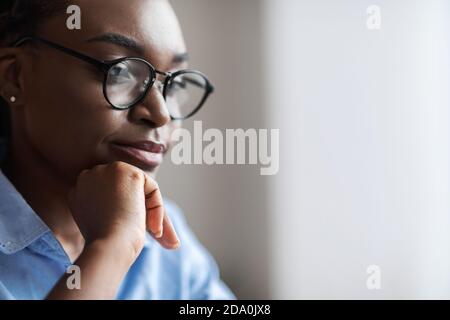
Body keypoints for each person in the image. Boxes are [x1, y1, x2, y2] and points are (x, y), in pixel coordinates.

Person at [0, 0, 235, 300]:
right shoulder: (130, 234)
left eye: (173, 85)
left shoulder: (165, 241)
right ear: (15, 75)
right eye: (120, 72)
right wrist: (113, 246)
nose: (161, 114)